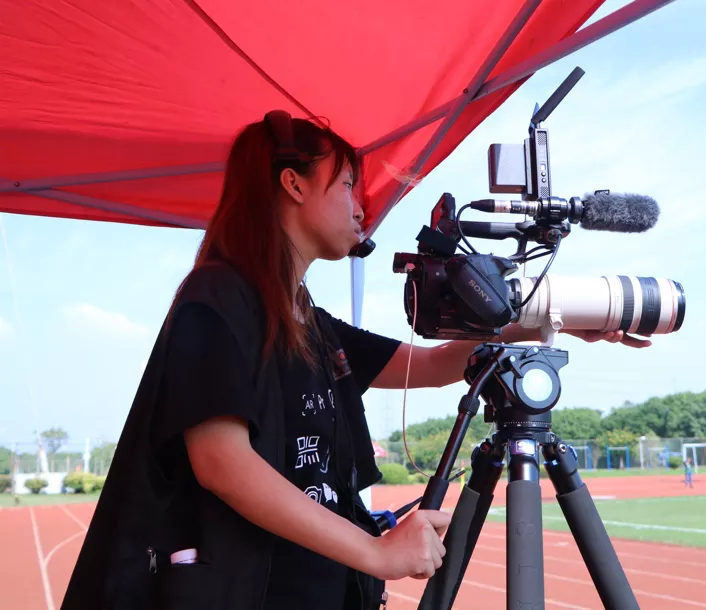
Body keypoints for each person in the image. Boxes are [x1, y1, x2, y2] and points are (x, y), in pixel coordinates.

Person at [61, 111, 651, 610]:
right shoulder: (218, 296)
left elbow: (431, 365)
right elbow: (222, 461)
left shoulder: (309, 323)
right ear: (293, 185)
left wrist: (556, 320)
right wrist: (375, 552)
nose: (361, 203)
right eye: (347, 183)